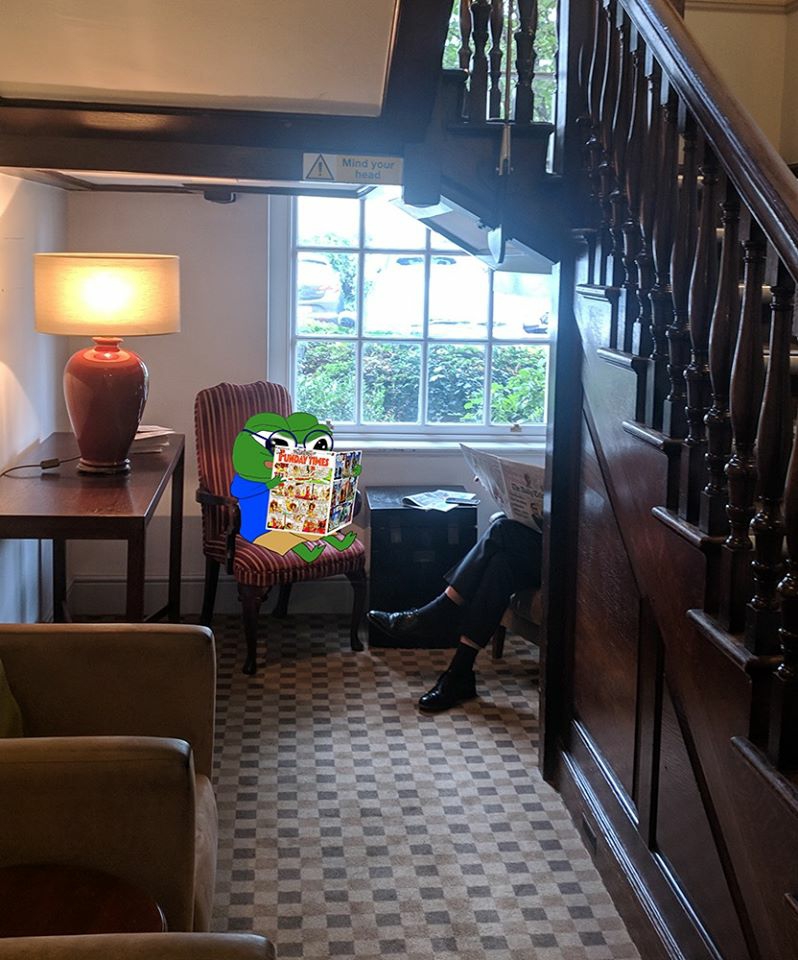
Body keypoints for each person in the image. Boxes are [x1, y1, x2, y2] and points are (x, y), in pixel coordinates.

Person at [367, 515, 542, 712]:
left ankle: (439, 612)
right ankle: (460, 672)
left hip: (564, 557)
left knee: (502, 528)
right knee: (500, 564)